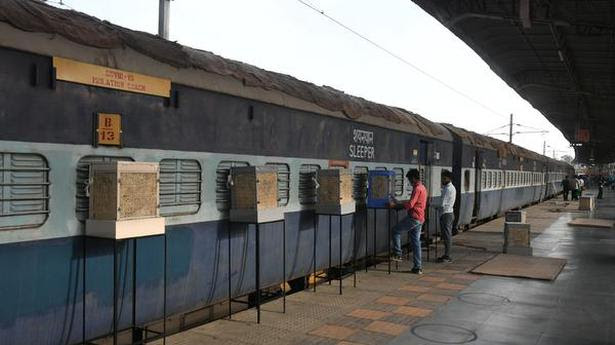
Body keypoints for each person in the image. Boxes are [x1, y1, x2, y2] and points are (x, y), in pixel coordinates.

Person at [390, 169, 427, 274]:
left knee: (395, 231)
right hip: (420, 218)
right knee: (416, 243)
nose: (410, 182)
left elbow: (410, 205)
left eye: (410, 179)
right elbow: (415, 203)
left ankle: (398, 253)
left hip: (414, 217)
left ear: (414, 178)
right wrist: (400, 202)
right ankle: (417, 267)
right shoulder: (423, 187)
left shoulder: (417, 188)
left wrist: (396, 206)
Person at [437, 170, 456, 263]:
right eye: (442, 178)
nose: (442, 180)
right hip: (448, 213)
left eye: (444, 178)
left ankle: (447, 256)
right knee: (446, 235)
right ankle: (446, 255)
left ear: (449, 178)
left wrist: (431, 205)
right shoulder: (450, 188)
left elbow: (441, 205)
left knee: (447, 236)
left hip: (446, 214)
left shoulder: (448, 189)